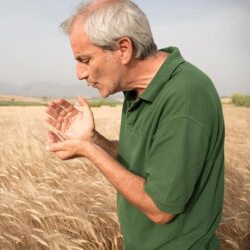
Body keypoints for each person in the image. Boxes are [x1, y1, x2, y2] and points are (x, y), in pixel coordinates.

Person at [45, 0, 225, 249]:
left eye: (85, 59)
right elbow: (142, 159)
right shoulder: (137, 90)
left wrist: (89, 151)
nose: (79, 73)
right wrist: (94, 140)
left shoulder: (185, 95)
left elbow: (160, 208)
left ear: (124, 49)